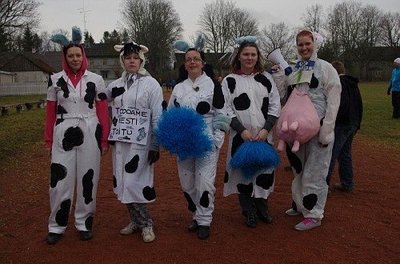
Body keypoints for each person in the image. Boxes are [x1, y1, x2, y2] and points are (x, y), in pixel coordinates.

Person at [44, 27, 110, 244]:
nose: (74, 59)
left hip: (90, 129)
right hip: (63, 130)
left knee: (87, 179)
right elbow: (50, 112)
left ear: (83, 56)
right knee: (59, 180)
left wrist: (104, 137)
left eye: (78, 55)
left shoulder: (96, 80)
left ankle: (84, 222)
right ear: (65, 57)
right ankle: (56, 225)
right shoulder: (54, 80)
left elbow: (101, 110)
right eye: (70, 55)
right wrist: (49, 139)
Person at [167, 48, 229, 240]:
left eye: (196, 59)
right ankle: (196, 213)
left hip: (206, 140)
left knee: (204, 181)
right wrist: (172, 138)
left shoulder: (213, 85)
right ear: (184, 64)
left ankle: (204, 220)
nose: (192, 62)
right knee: (187, 184)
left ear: (203, 63)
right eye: (188, 60)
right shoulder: (179, 87)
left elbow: (222, 113)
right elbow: (170, 113)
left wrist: (216, 140)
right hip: (184, 142)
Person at [283, 30, 341, 231]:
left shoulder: (326, 68)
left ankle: (314, 214)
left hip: (318, 131)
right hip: (298, 132)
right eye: (300, 45)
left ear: (314, 44)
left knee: (315, 172)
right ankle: (301, 204)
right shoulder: (295, 68)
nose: (304, 48)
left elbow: (334, 100)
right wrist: (277, 77)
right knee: (299, 169)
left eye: (308, 44)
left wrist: (327, 129)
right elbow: (287, 96)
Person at [106, 42, 163, 243]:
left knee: (134, 182)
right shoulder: (114, 86)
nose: (132, 61)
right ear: (122, 61)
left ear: (141, 60)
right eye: (128, 58)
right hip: (121, 143)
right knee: (123, 182)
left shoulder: (151, 84)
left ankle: (146, 223)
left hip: (142, 143)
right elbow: (104, 108)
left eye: (135, 58)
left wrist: (156, 143)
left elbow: (157, 114)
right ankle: (135, 220)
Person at [221, 39, 281, 228]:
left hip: (264, 136)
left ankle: (262, 208)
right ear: (239, 56)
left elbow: (275, 104)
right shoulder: (230, 80)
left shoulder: (266, 78)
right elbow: (225, 108)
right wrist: (242, 131)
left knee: (264, 171)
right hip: (242, 137)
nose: (249, 58)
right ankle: (248, 211)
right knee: (243, 173)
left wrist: (266, 129)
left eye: (253, 54)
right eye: (246, 54)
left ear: (258, 57)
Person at [327, 61, 363, 192]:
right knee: (345, 153)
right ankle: (347, 182)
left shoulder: (339, 84)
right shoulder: (353, 84)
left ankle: (324, 186)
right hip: (353, 123)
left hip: (342, 124)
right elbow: (359, 104)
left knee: (330, 153)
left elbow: (339, 106)